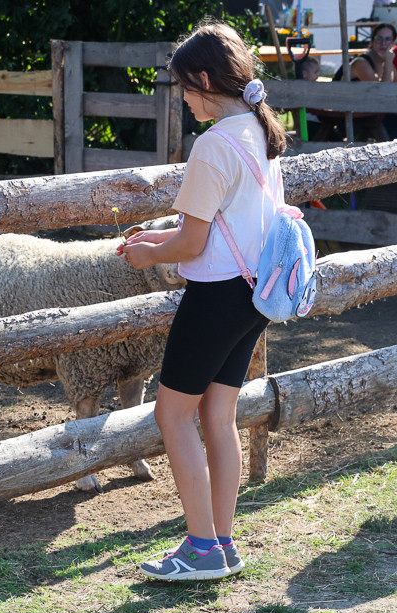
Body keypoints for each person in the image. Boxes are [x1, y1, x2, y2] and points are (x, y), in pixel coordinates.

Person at [118, 19, 285, 580]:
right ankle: (221, 541)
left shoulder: (212, 146)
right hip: (252, 295)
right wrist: (158, 241)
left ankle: (200, 547)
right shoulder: (259, 132)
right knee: (219, 416)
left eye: (185, 88)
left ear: (206, 79)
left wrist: (148, 254)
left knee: (172, 414)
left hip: (214, 297)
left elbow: (193, 242)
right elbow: (223, 228)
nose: (185, 99)